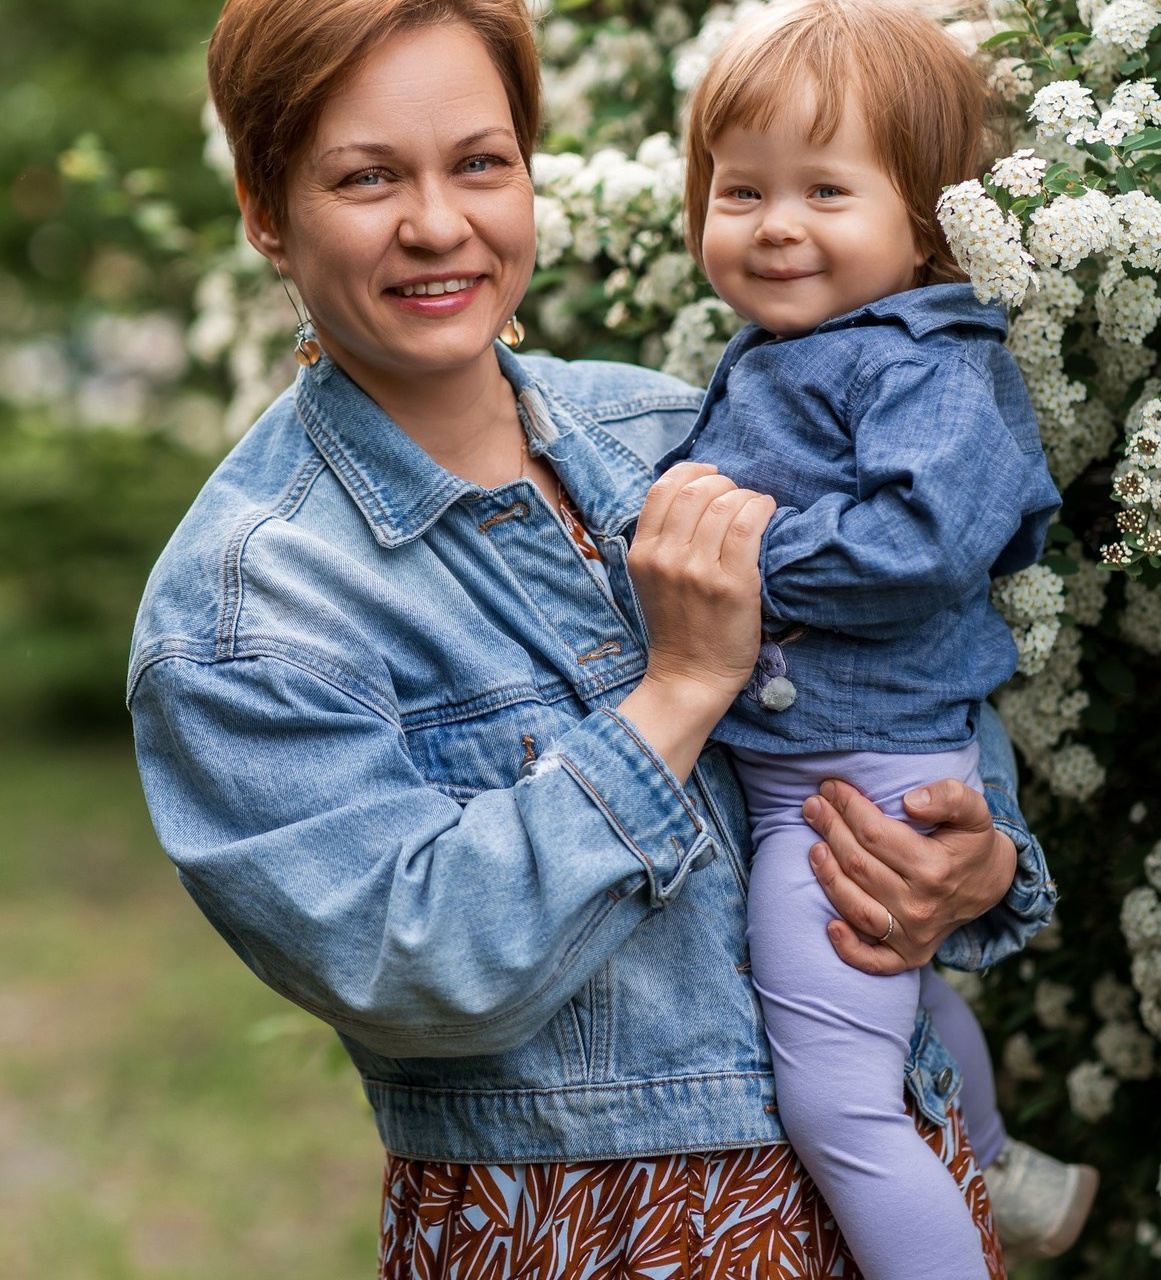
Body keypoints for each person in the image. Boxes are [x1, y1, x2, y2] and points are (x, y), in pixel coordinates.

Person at [127, 0, 1058, 1276]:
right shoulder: (249, 604)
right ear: (264, 207)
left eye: (478, 161)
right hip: (597, 1233)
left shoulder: (665, 424)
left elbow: (896, 670)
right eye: (364, 176)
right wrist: (676, 687)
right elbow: (422, 963)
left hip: (891, 1185)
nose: (437, 224)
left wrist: (979, 854)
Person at [664, 0, 1094, 1273]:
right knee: (908, 996)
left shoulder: (926, 365)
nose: (774, 223)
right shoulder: (793, 351)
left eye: (823, 190)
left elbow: (921, 542)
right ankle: (1002, 1165)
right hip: (833, 764)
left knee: (838, 1107)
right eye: (739, 189)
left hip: (850, 782)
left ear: (924, 225)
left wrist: (740, 556)